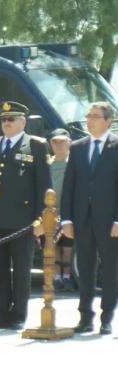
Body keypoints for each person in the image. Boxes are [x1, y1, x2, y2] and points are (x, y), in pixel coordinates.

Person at [0, 101, 50, 331]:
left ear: (23, 122)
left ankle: (18, 314)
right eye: (3, 120)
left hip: (23, 221)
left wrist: (41, 219)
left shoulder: (36, 146)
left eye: (11, 119)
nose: (6, 124)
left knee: (20, 270)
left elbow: (44, 187)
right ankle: (0, 313)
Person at [61, 102, 118, 335]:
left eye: (95, 116)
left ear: (108, 120)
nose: (89, 120)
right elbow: (69, 186)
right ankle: (85, 317)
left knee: (111, 269)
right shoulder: (77, 147)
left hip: (109, 221)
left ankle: (107, 317)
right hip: (82, 219)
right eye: (88, 115)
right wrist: (66, 220)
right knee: (84, 269)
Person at [47, 129, 75, 292]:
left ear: (69, 143)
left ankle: (68, 276)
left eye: (62, 141)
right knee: (53, 246)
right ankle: (56, 277)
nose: (58, 145)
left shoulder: (73, 164)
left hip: (68, 212)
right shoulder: (47, 164)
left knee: (68, 247)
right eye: (55, 142)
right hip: (51, 211)